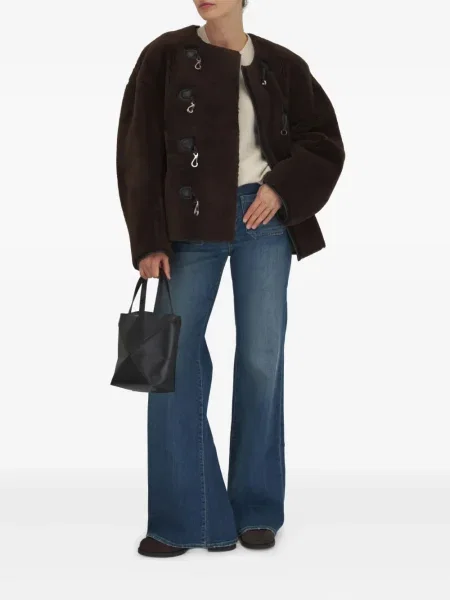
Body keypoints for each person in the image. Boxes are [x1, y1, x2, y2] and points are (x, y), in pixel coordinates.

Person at [116, 0, 345, 558]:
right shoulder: (163, 56)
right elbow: (138, 149)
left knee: (262, 358)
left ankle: (257, 509)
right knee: (173, 363)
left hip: (261, 221)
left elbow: (324, 141)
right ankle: (183, 518)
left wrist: (281, 188)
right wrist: (148, 239)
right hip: (188, 224)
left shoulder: (282, 64)